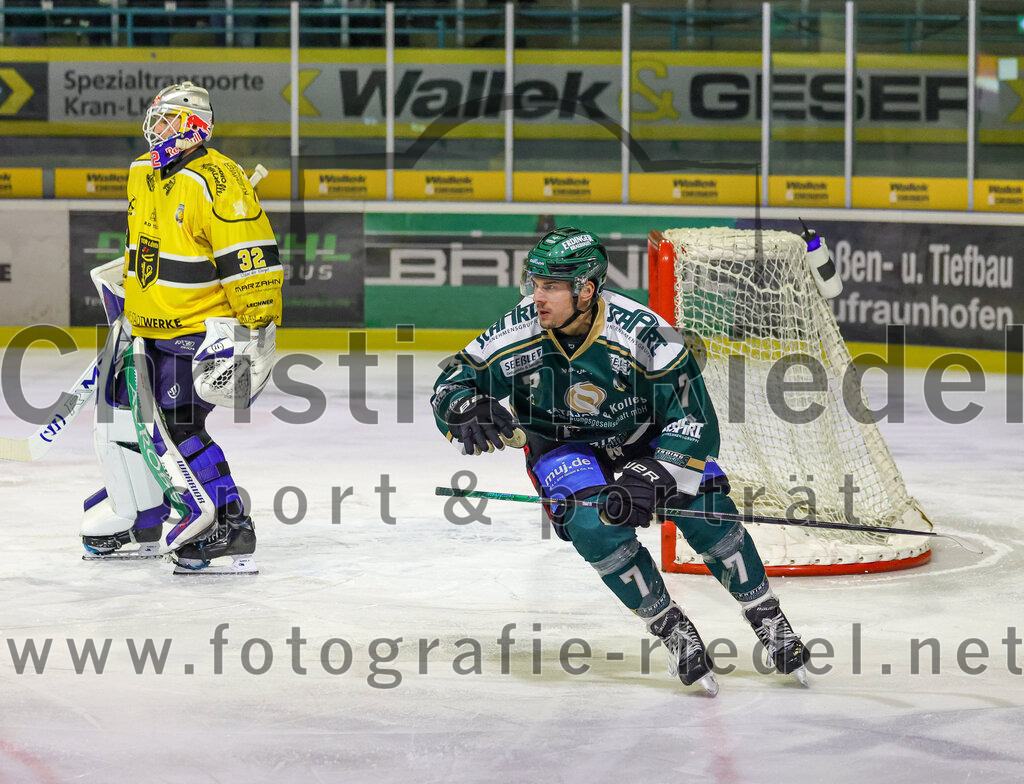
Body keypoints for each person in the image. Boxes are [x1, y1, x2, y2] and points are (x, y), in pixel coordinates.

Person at [431, 227, 809, 694]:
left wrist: (652, 473)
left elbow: (696, 420)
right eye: (535, 283)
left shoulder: (647, 334)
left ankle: (766, 615)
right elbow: (452, 379)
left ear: (586, 289)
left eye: (551, 286)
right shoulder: (518, 329)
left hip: (645, 436)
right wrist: (462, 407)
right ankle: (672, 629)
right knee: (591, 523)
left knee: (705, 509)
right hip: (561, 443)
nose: (537, 296)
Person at [80, 82, 282, 575]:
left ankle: (229, 524)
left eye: (169, 119)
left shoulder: (217, 179)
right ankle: (142, 513)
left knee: (180, 426)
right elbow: (144, 247)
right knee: (122, 420)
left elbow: (251, 261)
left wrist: (254, 331)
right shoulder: (141, 172)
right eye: (157, 118)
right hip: (145, 327)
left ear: (195, 125)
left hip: (197, 329)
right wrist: (128, 296)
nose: (158, 128)